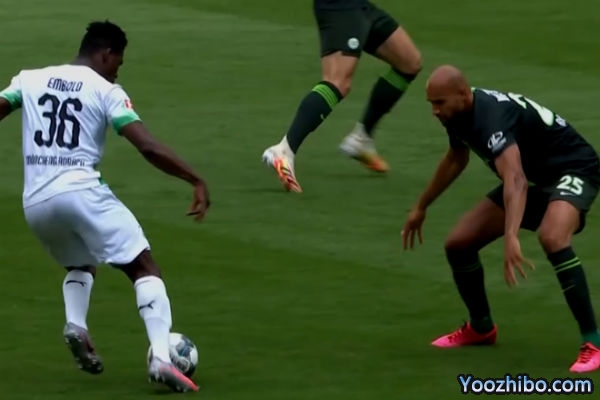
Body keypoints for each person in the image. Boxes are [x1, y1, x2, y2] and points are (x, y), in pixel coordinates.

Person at [0, 21, 209, 392]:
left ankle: (76, 325)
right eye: (118, 63)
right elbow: (147, 146)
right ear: (106, 54)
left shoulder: (29, 79)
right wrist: (194, 178)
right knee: (144, 267)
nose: (117, 71)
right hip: (81, 192)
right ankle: (162, 358)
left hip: (36, 203)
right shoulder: (106, 90)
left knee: (81, 262)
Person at [402, 64, 600, 373]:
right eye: (431, 103)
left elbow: (515, 179)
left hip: (573, 169)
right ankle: (481, 328)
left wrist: (511, 235)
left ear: (463, 94)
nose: (434, 111)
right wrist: (421, 206)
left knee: (553, 237)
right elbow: (456, 158)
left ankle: (593, 342)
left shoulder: (490, 118)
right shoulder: (457, 114)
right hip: (536, 178)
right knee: (459, 244)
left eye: (439, 103)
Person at [262, 0, 422, 193]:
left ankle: (362, 139)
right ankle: (284, 150)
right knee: (337, 82)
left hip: (359, 6)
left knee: (409, 62)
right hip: (340, 6)